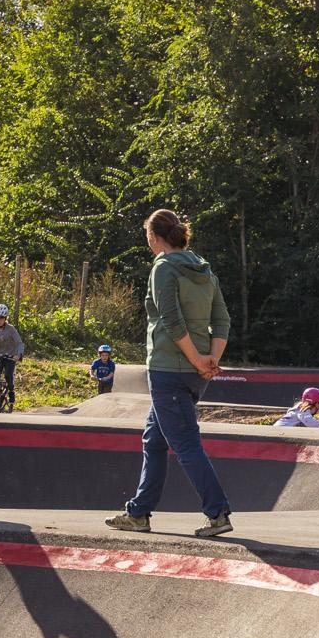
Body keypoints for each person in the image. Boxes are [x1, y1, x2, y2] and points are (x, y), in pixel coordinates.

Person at [105, 208, 233, 538]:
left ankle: (217, 512)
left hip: (169, 369)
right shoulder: (204, 269)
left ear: (153, 237)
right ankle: (139, 513)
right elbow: (222, 321)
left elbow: (171, 322)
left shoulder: (163, 268)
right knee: (154, 439)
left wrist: (196, 359)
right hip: (194, 372)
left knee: (186, 444)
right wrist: (210, 360)